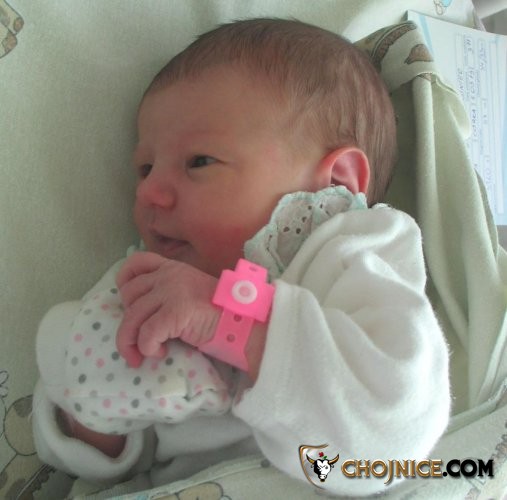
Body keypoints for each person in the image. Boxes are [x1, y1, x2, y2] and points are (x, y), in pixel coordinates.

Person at [33, 18, 450, 496]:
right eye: (145, 168)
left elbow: (393, 431)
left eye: (199, 161)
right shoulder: (148, 280)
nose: (148, 192)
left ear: (336, 182)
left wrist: (234, 323)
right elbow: (96, 455)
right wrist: (95, 416)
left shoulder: (352, 253)